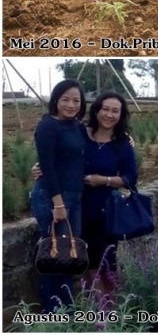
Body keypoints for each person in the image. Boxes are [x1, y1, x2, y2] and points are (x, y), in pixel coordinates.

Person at [33, 91, 138, 297]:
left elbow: (130, 179)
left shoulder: (122, 143)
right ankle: (99, 313)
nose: (109, 115)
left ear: (121, 115)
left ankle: (112, 311)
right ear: (96, 111)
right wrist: (40, 167)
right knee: (85, 261)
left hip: (106, 211)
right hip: (78, 207)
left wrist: (104, 180)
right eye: (105, 109)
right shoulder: (80, 132)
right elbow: (61, 153)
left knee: (107, 262)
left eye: (115, 111)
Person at [30, 79, 87, 313]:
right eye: (65, 99)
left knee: (70, 255)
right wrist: (58, 204)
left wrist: (127, 138)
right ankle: (52, 312)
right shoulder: (47, 127)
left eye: (76, 100)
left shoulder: (78, 126)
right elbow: (48, 167)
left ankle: (68, 309)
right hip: (53, 198)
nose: (71, 105)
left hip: (74, 196)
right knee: (54, 255)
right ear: (55, 100)